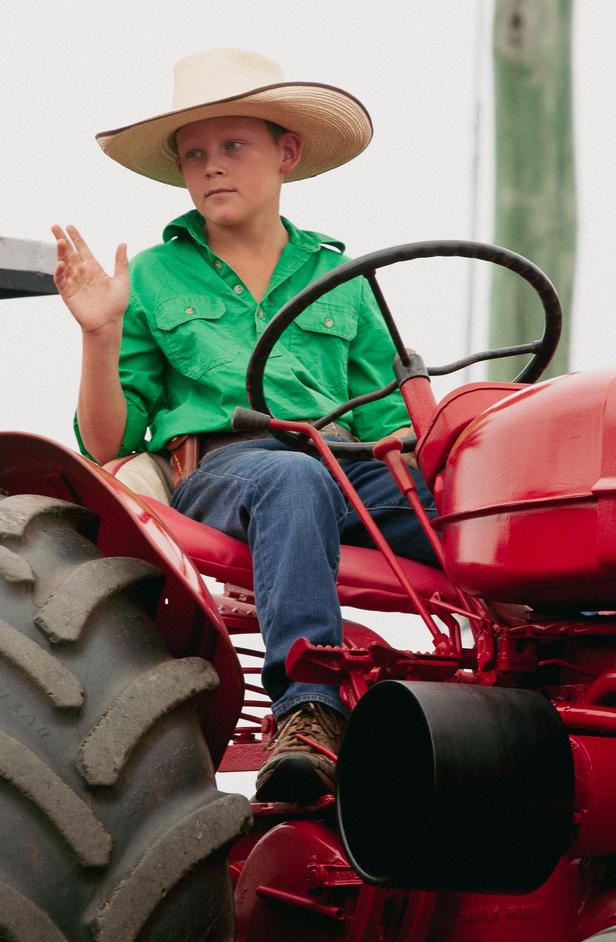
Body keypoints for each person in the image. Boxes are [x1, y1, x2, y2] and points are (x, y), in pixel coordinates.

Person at [53, 48, 436, 804]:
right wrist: (99, 334)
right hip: (227, 470)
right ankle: (310, 710)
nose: (212, 168)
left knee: (469, 506)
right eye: (195, 154)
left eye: (233, 147)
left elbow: (390, 422)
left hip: (345, 465)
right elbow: (106, 443)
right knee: (290, 478)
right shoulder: (156, 276)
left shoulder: (340, 275)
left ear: (286, 153)